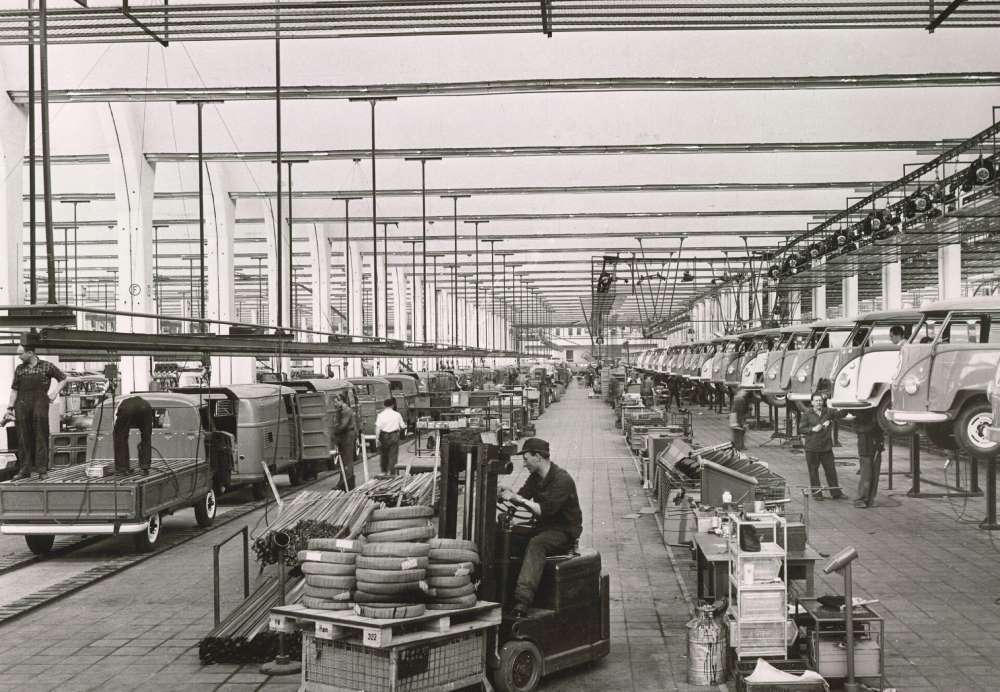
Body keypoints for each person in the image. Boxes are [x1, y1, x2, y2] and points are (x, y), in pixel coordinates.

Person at [499, 438, 582, 618]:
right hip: (543, 527)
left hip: (563, 532)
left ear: (537, 457)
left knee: (537, 544)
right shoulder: (535, 477)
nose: (524, 465)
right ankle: (500, 594)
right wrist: (505, 494)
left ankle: (522, 600)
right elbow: (522, 495)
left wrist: (518, 499)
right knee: (506, 536)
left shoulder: (562, 480)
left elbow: (543, 510)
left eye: (526, 459)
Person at [3, 339, 67, 480]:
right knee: (23, 437)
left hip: (40, 403)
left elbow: (63, 378)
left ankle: (42, 470)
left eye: (21, 354)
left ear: (30, 353)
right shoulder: (20, 369)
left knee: (41, 436)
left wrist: (55, 392)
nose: (18, 356)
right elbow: (14, 390)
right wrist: (9, 408)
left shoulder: (47, 366)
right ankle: (24, 470)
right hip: (22, 404)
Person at [799, 392, 848, 500]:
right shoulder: (806, 414)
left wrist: (848, 404)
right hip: (812, 448)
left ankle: (836, 493)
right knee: (813, 472)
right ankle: (817, 494)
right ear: (812, 402)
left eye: (820, 400)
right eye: (816, 401)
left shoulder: (828, 412)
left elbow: (841, 414)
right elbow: (801, 429)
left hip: (826, 448)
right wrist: (812, 429)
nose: (818, 403)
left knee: (831, 471)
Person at [113, 395, 153, 475]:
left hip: (129, 409)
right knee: (146, 437)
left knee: (120, 437)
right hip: (146, 407)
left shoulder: (121, 406)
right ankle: (145, 467)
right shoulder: (139, 401)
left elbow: (117, 427)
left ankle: (122, 468)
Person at [853, 409, 884, 508]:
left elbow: (881, 430)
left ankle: (870, 499)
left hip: (876, 447)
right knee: (866, 474)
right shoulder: (859, 418)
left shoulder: (876, 416)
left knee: (875, 474)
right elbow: (861, 429)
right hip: (865, 448)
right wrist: (875, 423)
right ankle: (861, 499)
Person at [332, 396, 358, 489]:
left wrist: (334, 430)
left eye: (336, 402)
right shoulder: (341, 410)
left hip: (347, 436)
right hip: (344, 436)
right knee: (344, 460)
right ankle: (343, 482)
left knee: (347, 460)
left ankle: (347, 482)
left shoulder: (346, 410)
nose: (335, 404)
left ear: (341, 401)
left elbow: (343, 425)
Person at [374, 397, 406, 474]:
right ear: (392, 405)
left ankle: (384, 472)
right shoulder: (397, 414)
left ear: (384, 406)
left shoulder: (380, 415)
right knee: (393, 455)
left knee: (384, 455)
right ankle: (393, 472)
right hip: (394, 435)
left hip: (383, 436)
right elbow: (403, 426)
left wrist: (377, 439)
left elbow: (378, 428)